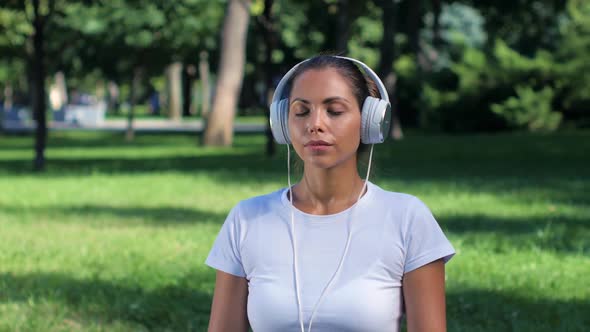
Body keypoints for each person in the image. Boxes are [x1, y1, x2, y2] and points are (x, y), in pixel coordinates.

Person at [205, 55, 455, 332]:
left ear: (370, 121)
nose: (315, 124)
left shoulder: (407, 219)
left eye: (334, 110)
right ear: (282, 123)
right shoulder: (246, 219)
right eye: (301, 111)